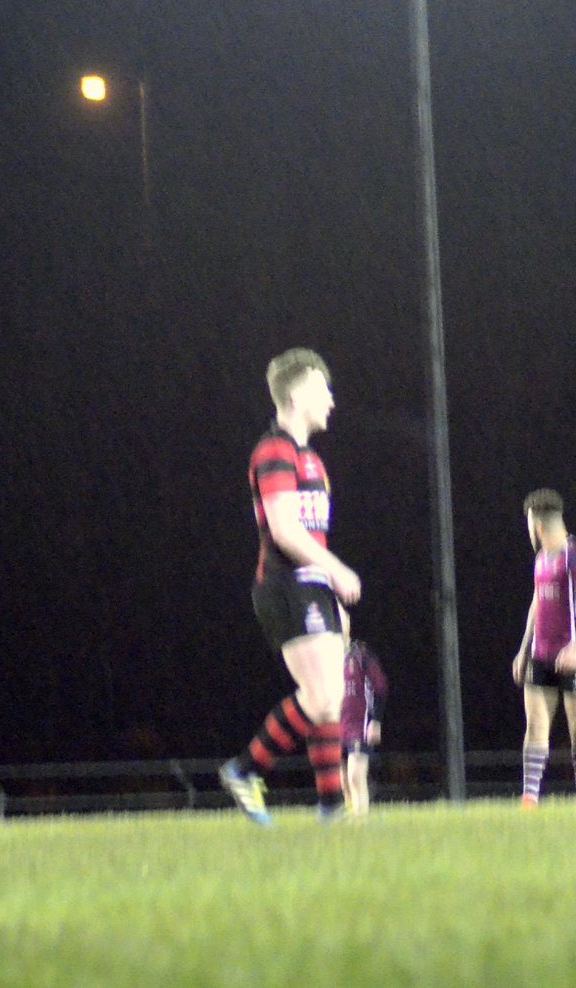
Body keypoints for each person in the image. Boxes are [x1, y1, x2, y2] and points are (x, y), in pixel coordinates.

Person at [219, 348, 361, 825]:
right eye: (324, 389)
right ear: (297, 395)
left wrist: (331, 594)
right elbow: (284, 530)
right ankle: (244, 770)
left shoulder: (311, 459)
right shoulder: (274, 451)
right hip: (285, 585)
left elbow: (312, 534)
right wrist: (337, 571)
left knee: (330, 700)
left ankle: (332, 808)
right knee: (320, 696)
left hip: (310, 587)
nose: (332, 400)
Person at [511, 489, 576, 806]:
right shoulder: (541, 559)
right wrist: (524, 648)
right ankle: (530, 797)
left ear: (537, 525)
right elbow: (537, 603)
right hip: (541, 655)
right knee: (535, 725)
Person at [341, 637, 388, 817]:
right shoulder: (326, 656)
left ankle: (361, 819)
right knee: (343, 779)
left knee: (355, 775)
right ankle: (351, 818)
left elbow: (380, 688)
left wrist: (376, 721)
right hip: (338, 725)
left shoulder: (361, 655)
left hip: (359, 725)